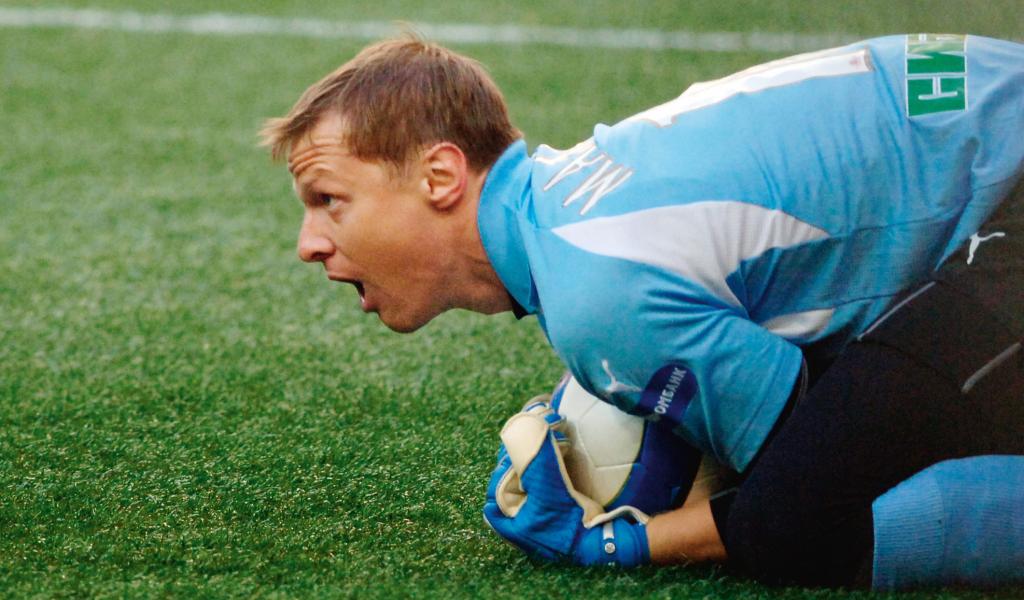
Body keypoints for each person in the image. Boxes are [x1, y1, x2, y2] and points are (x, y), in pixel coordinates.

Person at [261, 33, 1024, 589]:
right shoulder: (574, 209)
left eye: (329, 200)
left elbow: (805, 472)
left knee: (792, 527)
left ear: (439, 176)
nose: (307, 244)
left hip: (1010, 189)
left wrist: (616, 542)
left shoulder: (594, 291)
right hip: (995, 144)